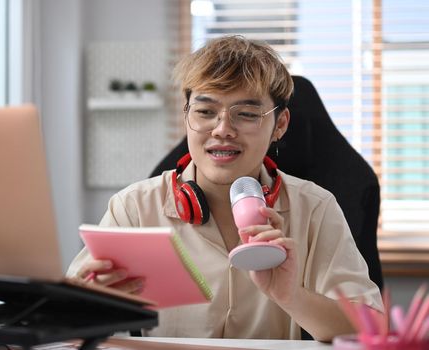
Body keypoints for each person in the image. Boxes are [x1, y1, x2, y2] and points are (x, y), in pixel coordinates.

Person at [66, 35, 383, 341]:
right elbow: (66, 318)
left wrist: (290, 296)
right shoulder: (134, 207)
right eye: (205, 112)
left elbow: (370, 327)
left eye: (246, 114)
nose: (222, 130)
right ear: (187, 115)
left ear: (281, 125)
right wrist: (90, 303)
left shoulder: (315, 207)